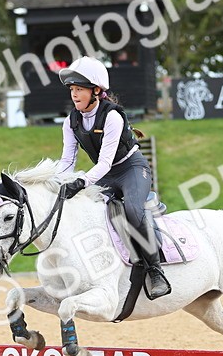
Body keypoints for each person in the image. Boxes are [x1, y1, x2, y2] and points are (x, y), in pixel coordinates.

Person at [57, 56, 171, 300]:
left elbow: (105, 162)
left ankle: (155, 270)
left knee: (131, 209)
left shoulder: (112, 117)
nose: (74, 95)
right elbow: (67, 161)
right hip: (105, 175)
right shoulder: (70, 122)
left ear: (96, 91)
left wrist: (81, 182)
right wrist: (56, 182)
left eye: (79, 89)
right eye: (72, 90)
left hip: (131, 169)